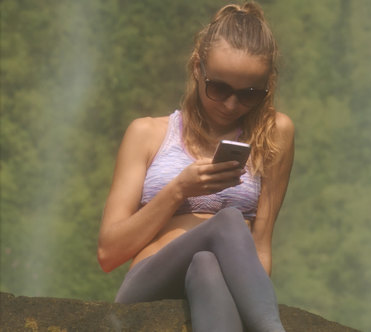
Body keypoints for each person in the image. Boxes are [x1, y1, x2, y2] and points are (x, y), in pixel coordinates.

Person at [97, 2, 294, 331]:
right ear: (196, 68)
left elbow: (261, 244)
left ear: (268, 86)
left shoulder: (275, 134)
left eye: (249, 94)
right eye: (218, 88)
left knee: (206, 266)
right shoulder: (147, 134)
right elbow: (108, 252)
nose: (231, 105)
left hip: (214, 280)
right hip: (149, 283)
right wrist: (178, 190)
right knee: (228, 221)